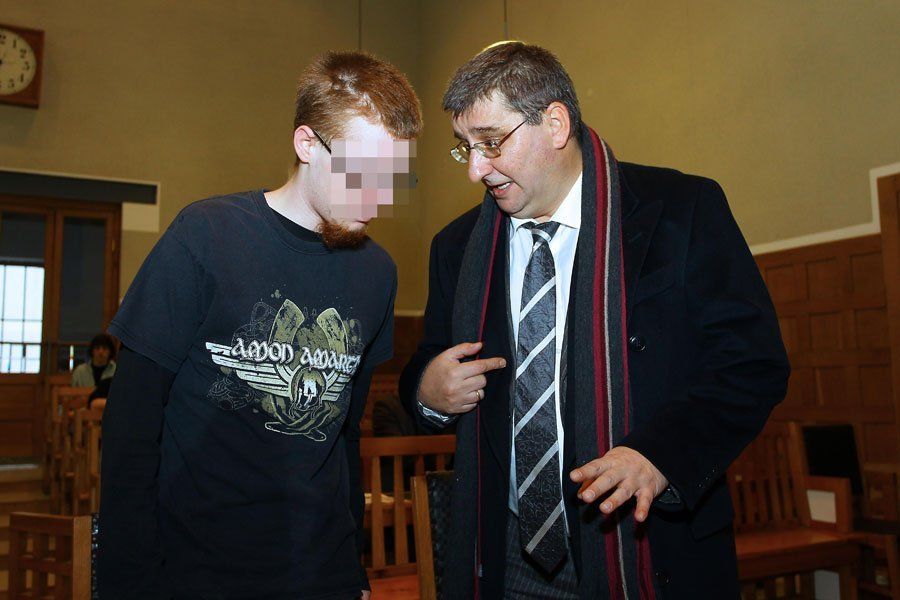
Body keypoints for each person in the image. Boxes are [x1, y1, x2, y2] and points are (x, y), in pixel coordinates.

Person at [399, 42, 790, 599]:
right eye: (466, 148)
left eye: (491, 142)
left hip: (649, 546)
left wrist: (662, 454)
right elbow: (425, 366)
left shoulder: (683, 209)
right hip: (510, 554)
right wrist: (428, 391)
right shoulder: (457, 247)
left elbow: (751, 365)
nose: (476, 169)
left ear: (556, 123)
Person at [98, 51, 421, 600]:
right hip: (198, 571)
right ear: (307, 144)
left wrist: (353, 568)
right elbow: (131, 427)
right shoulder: (206, 236)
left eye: (393, 177)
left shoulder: (376, 273)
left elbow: (343, 436)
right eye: (365, 174)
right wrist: (128, 581)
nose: (381, 198)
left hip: (322, 574)